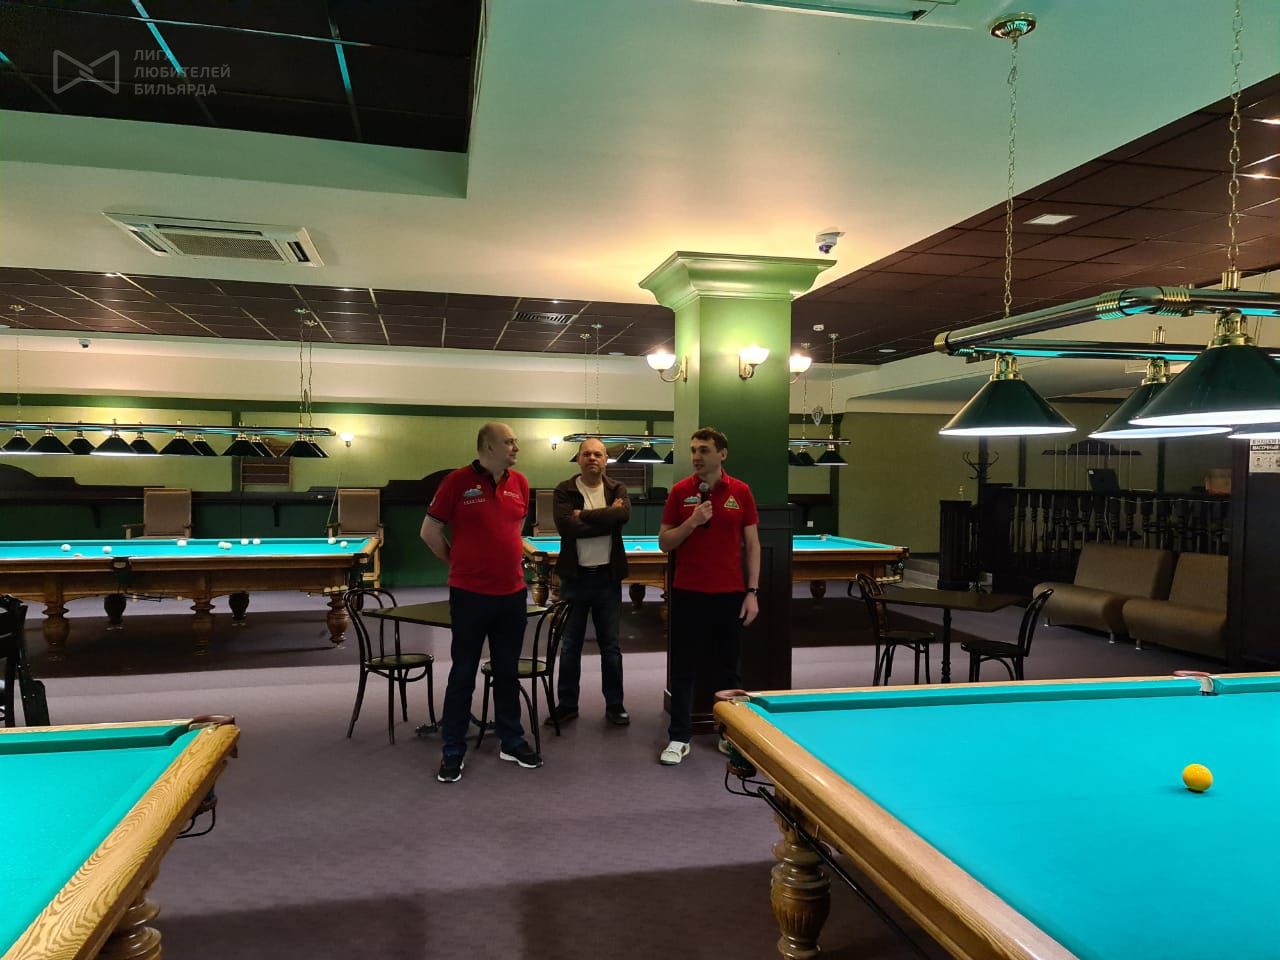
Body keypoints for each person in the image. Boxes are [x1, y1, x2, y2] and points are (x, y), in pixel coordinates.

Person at [420, 422, 542, 783]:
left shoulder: (520, 483)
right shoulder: (456, 482)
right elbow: (429, 532)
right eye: (509, 442)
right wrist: (458, 562)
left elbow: (516, 529)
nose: (516, 447)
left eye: (515, 442)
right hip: (470, 595)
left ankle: (511, 740)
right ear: (488, 447)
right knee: (463, 674)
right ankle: (453, 749)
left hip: (512, 594)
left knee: (507, 672)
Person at [657, 426, 760, 765]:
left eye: (704, 450)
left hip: (730, 595)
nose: (696, 456)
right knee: (683, 670)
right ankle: (678, 738)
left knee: (729, 670)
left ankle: (729, 736)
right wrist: (691, 522)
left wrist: (752, 592)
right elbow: (664, 543)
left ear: (722, 454)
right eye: (693, 450)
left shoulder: (741, 491)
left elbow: (753, 545)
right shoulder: (680, 492)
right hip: (688, 593)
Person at [546, 437, 631, 727]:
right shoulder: (565, 489)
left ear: (605, 459)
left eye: (597, 454)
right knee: (570, 645)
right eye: (587, 454)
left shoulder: (617, 489)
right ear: (579, 459)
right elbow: (567, 527)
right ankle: (567, 705)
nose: (592, 458)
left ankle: (615, 705)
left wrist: (584, 516)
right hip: (575, 578)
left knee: (611, 647)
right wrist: (607, 520)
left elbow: (623, 514)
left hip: (607, 578)